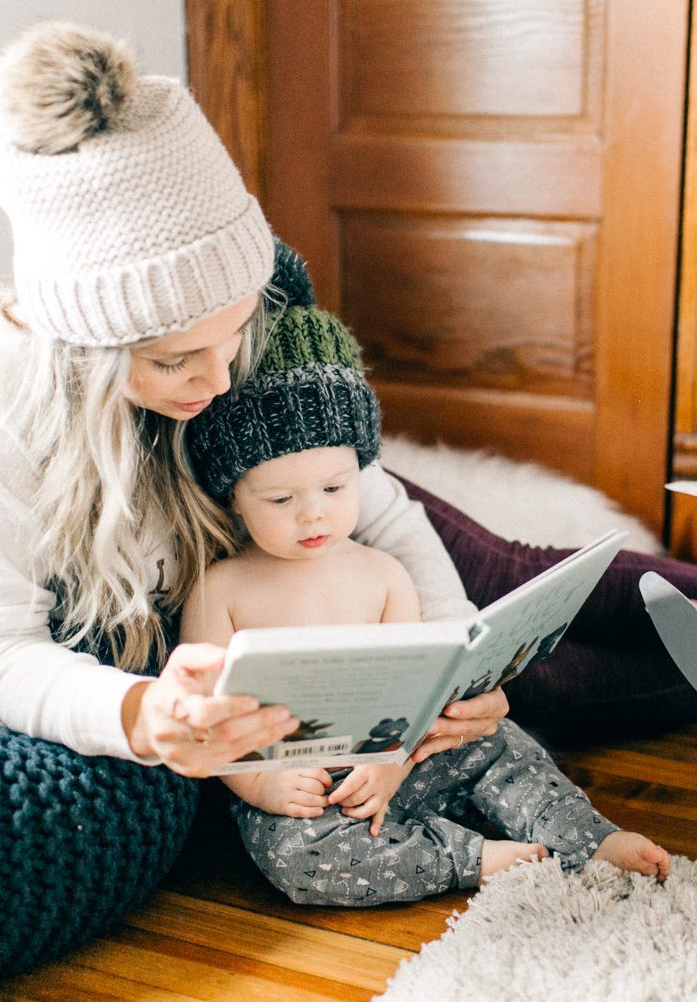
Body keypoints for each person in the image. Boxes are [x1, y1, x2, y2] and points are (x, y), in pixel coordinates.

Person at [0, 21, 507, 779]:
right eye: (174, 359)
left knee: (517, 581)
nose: (221, 382)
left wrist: (451, 656)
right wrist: (137, 714)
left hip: (326, 514)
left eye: (234, 335)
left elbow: (380, 509)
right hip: (282, 581)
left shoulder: (242, 313)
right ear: (85, 350)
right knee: (569, 682)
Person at [180, 306, 670, 905]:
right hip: (307, 798)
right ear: (234, 498)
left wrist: (394, 765)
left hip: (406, 765)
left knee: (504, 746)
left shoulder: (385, 574)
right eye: (281, 498)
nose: (314, 514)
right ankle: (467, 858)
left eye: (335, 489)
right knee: (298, 858)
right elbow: (202, 723)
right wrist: (263, 786)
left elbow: (413, 698)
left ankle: (587, 839)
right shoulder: (221, 589)